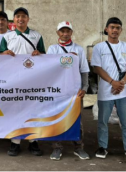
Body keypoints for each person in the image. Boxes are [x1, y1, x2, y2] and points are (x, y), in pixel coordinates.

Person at [90, 17, 126, 161]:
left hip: (123, 91)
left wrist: (122, 83)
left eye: (118, 28)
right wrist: (112, 82)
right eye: (112, 27)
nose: (115, 30)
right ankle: (102, 147)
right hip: (106, 91)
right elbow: (97, 68)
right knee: (103, 122)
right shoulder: (99, 47)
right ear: (106, 29)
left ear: (121, 30)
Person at [0, 7, 47, 157]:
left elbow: (45, 58)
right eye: (18, 16)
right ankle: (15, 142)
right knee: (15, 110)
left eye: (23, 16)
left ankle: (34, 141)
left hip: (32, 80)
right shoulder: (7, 37)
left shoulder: (36, 36)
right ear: (14, 20)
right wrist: (4, 53)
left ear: (28, 19)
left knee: (33, 109)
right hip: (14, 81)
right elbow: (0, 56)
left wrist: (39, 54)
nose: (21, 19)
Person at [46, 21, 91, 161]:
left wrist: (84, 88)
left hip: (74, 91)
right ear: (57, 32)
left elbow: (84, 71)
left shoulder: (79, 49)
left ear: (71, 32)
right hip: (58, 91)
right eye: (62, 31)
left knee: (77, 120)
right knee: (57, 119)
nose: (65, 34)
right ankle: (57, 148)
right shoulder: (53, 49)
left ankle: (79, 148)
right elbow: (48, 70)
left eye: (68, 31)